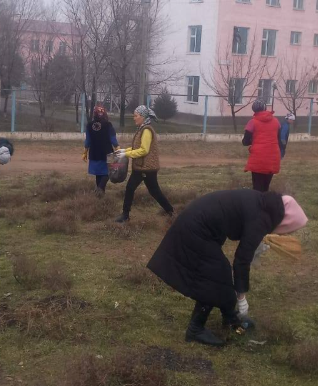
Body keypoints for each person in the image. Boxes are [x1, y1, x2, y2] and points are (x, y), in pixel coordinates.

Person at [147, 189, 308, 347]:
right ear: (285, 222)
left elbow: (243, 225)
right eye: (289, 229)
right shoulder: (260, 219)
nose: (285, 234)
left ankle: (230, 318)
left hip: (197, 222)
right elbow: (241, 261)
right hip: (196, 228)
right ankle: (195, 329)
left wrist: (256, 245)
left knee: (220, 272)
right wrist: (241, 298)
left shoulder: (262, 203)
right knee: (214, 276)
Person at [114, 105, 174, 223]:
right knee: (152, 190)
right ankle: (171, 211)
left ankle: (125, 215)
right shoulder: (142, 129)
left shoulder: (146, 130)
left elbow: (144, 150)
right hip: (143, 167)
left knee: (136, 188)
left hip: (145, 168)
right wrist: (123, 151)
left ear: (142, 116)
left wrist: (126, 154)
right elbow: (136, 147)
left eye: (135, 116)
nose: (134, 118)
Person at [242, 100, 284, 192]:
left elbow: (245, 142)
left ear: (254, 110)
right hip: (273, 157)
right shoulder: (276, 121)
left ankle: (258, 201)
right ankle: (265, 200)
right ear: (265, 108)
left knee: (257, 188)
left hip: (258, 158)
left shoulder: (252, 122)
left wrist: (254, 140)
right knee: (266, 187)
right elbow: (278, 140)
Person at [83, 105, 119, 197]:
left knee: (98, 174)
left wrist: (85, 152)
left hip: (94, 153)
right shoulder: (108, 125)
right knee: (109, 172)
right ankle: (100, 189)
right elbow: (113, 139)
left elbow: (88, 140)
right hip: (108, 153)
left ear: (94, 114)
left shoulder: (89, 125)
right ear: (105, 114)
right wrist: (117, 148)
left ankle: (100, 195)